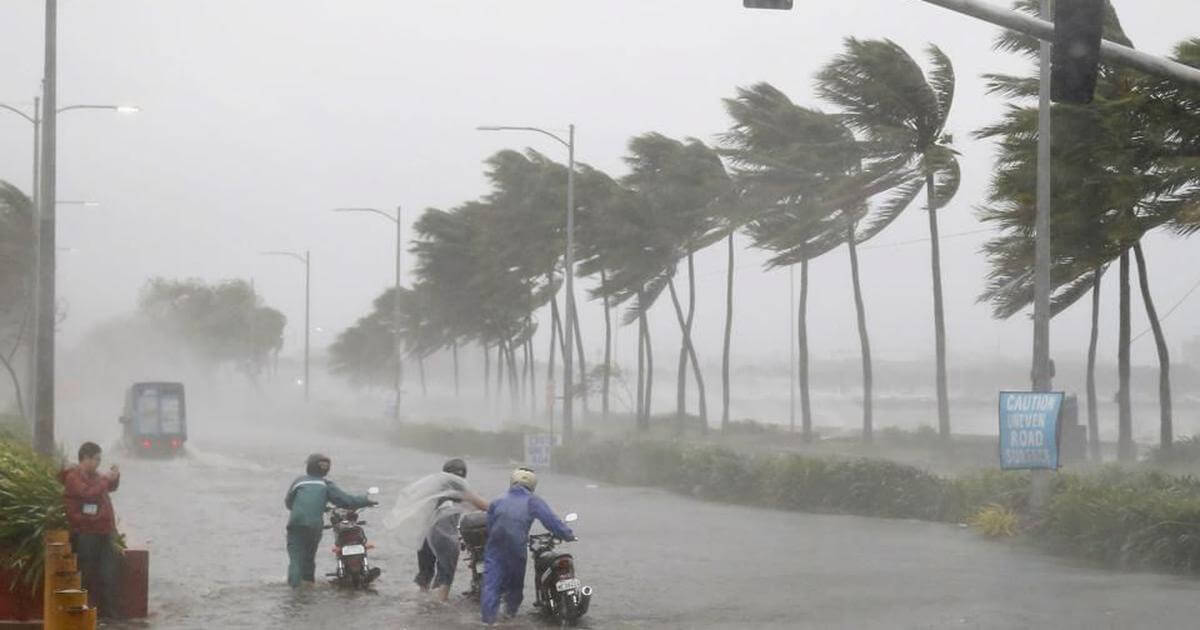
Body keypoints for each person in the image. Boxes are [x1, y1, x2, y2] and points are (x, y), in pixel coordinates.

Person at [481, 467, 574, 625]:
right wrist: (568, 535)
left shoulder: (497, 500)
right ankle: (510, 618)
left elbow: (489, 527)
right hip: (516, 547)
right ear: (532, 485)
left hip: (495, 547)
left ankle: (488, 623)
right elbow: (551, 521)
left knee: (491, 585)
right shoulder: (533, 501)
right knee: (515, 585)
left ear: (512, 481)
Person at [284, 453, 377, 587]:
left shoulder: (299, 481)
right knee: (309, 558)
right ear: (326, 469)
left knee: (296, 559)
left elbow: (288, 503)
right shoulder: (325, 484)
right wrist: (366, 501)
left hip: (296, 524)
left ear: (309, 466)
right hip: (314, 526)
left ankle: (294, 591)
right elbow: (346, 501)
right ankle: (308, 586)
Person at [413, 458, 489, 602]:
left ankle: (421, 608)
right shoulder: (458, 488)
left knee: (425, 577)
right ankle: (438, 610)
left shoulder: (434, 488)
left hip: (424, 536)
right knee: (445, 578)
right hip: (444, 537)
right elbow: (483, 505)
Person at [60, 442, 121, 618]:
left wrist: (114, 477)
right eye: (96, 459)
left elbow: (109, 487)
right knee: (87, 573)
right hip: (86, 531)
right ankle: (87, 613)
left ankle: (110, 614)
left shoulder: (95, 475)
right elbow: (89, 493)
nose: (98, 464)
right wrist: (105, 479)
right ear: (85, 458)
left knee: (109, 573)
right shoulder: (74, 477)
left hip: (104, 530)